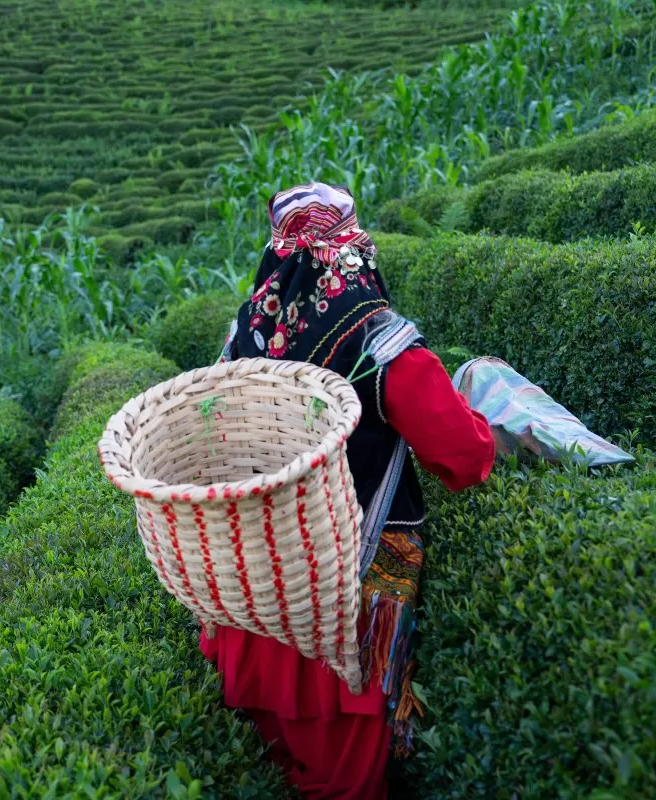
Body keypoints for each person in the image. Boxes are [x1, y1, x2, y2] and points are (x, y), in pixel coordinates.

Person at [206, 182, 495, 799]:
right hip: (340, 619)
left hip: (252, 603)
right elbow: (466, 459)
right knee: (347, 783)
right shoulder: (378, 340)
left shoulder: (247, 334)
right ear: (351, 242)